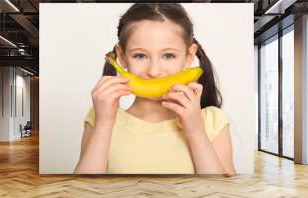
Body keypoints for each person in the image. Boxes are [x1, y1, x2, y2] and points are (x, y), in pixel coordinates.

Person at [74, 3, 236, 175]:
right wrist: (104, 123)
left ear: (189, 57)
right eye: (140, 56)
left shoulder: (212, 121)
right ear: (121, 56)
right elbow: (83, 196)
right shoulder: (101, 118)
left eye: (168, 56)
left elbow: (222, 197)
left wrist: (196, 131)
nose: (154, 71)